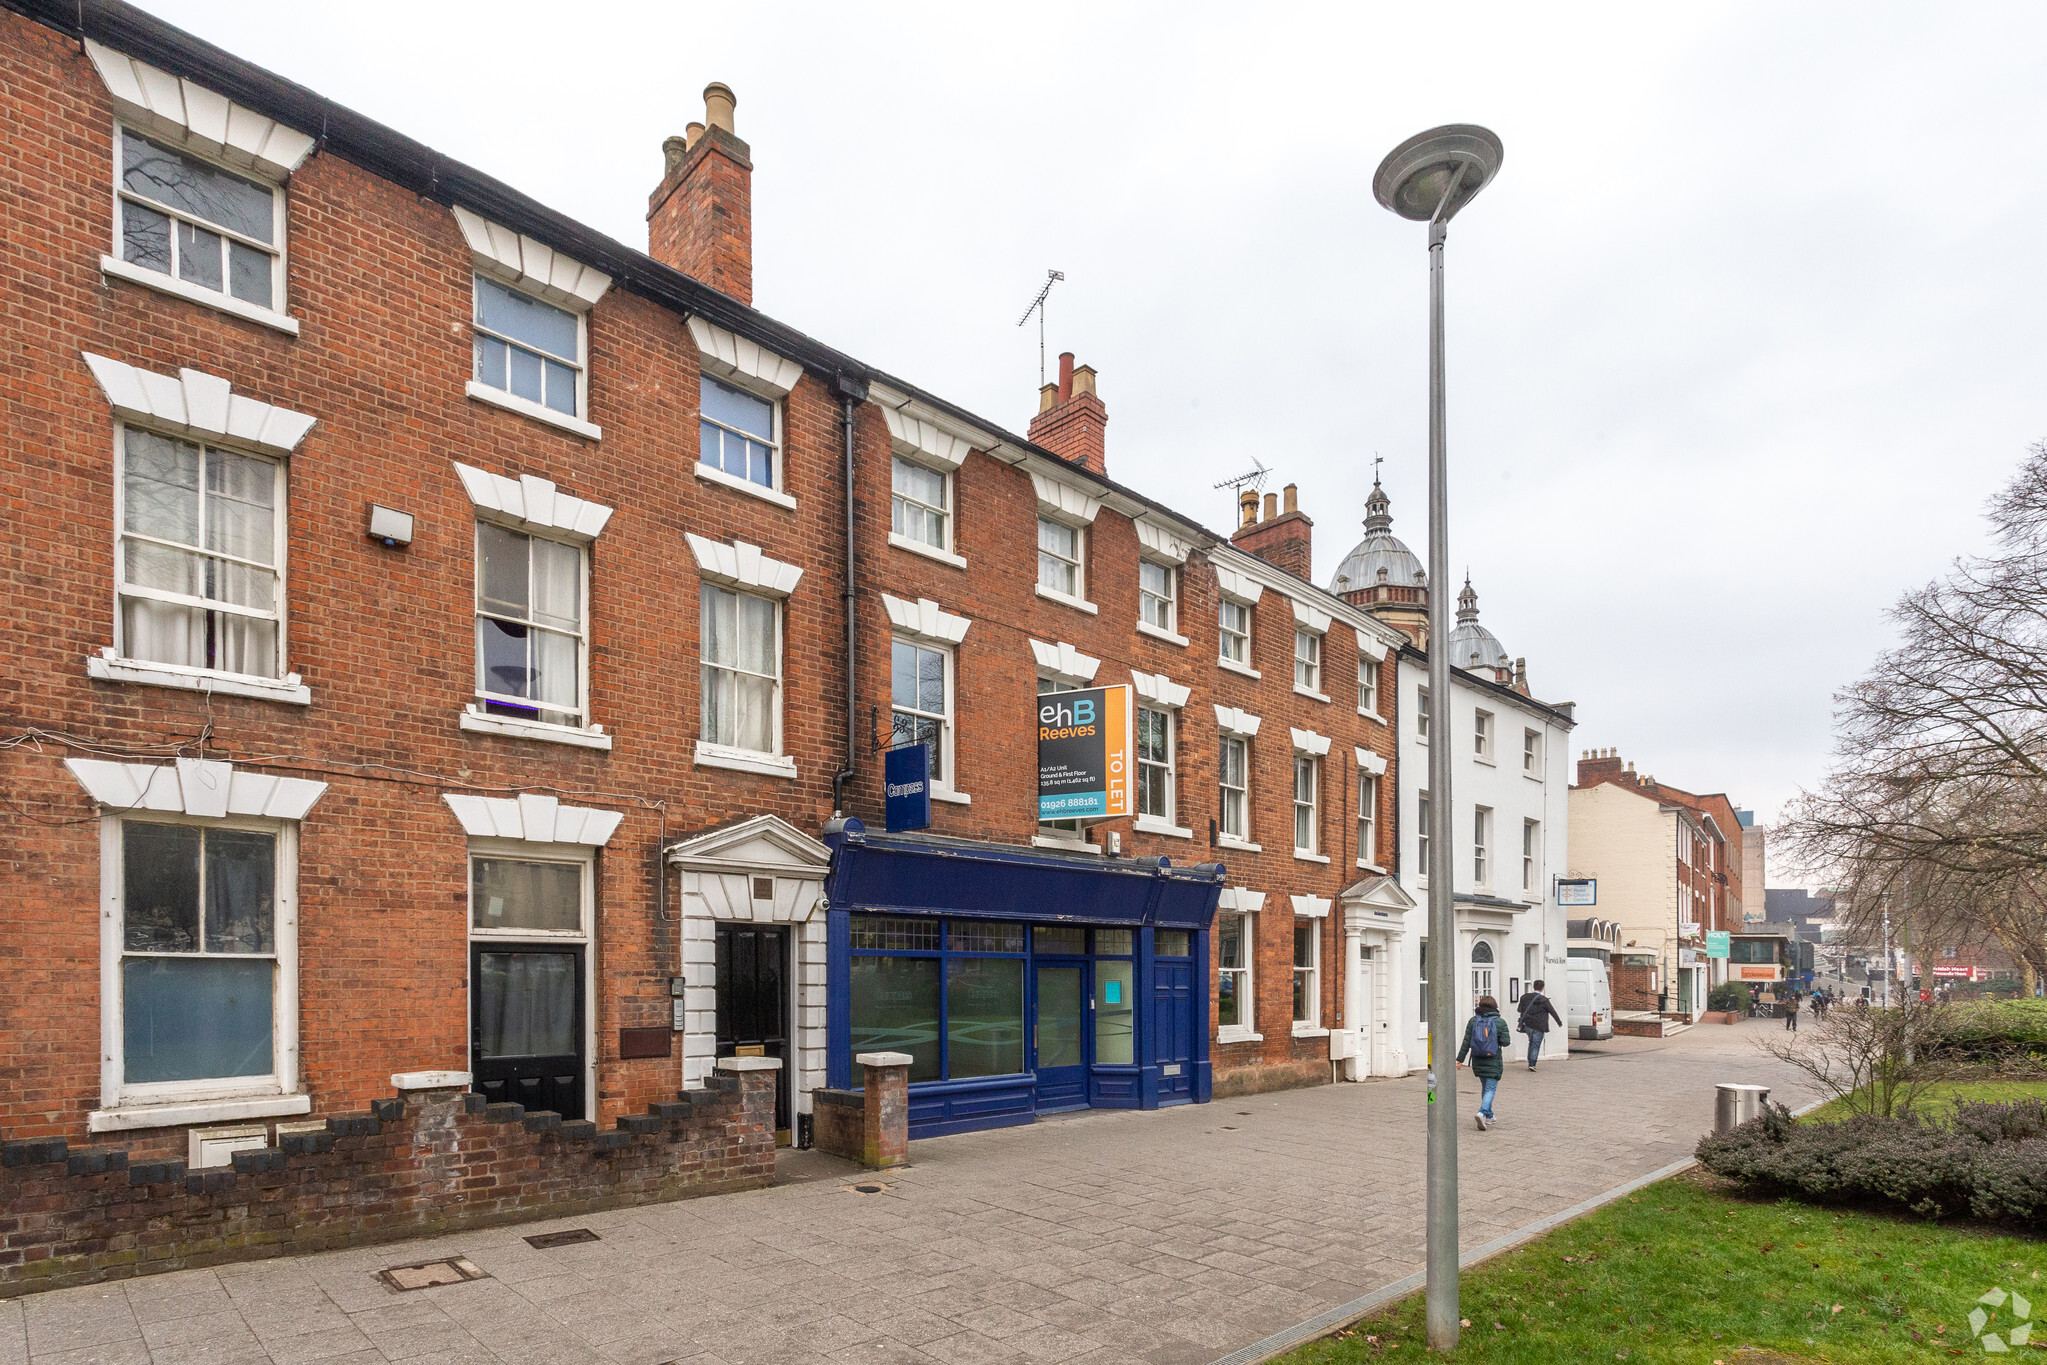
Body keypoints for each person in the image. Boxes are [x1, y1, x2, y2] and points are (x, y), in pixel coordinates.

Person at [1456, 995, 1508, 1130]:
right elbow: (1506, 1042)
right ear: (1494, 1006)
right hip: (1493, 1059)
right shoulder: (1500, 1022)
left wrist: (1460, 1059)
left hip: (1478, 1059)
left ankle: (1489, 1116)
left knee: (1485, 1087)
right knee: (1491, 1089)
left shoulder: (1473, 1021)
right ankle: (1482, 1112)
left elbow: (1466, 1041)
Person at [1517, 980, 1563, 1070]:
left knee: (1531, 1042)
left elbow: (1519, 1009)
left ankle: (1530, 1060)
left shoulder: (1524, 997)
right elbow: (1552, 1011)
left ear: (1533, 986)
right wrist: (1559, 1022)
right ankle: (1532, 1063)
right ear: (1542, 988)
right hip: (1539, 1025)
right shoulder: (1544, 1000)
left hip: (1527, 1024)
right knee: (1535, 1044)